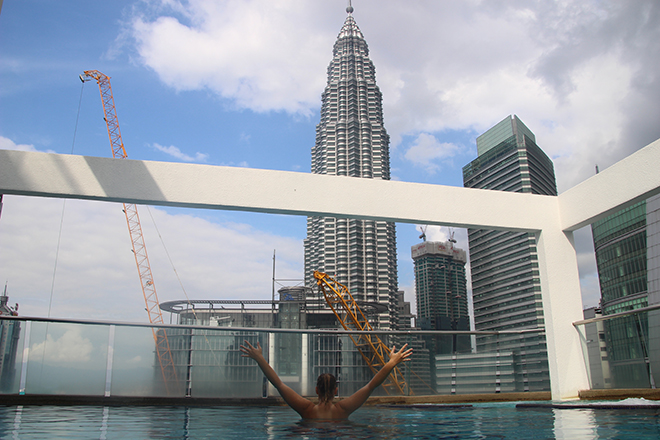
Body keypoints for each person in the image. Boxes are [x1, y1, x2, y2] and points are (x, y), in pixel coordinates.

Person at [239, 340, 413, 420]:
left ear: (316, 390)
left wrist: (259, 359)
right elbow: (372, 385)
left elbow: (278, 383)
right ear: (336, 390)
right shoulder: (343, 409)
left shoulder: (306, 409)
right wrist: (392, 362)